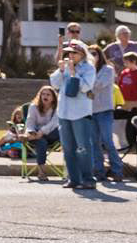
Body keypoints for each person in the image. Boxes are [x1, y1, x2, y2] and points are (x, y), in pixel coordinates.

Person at [51, 43, 97, 191]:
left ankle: (88, 179)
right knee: (68, 148)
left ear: (82, 54)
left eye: (74, 53)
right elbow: (54, 84)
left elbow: (85, 87)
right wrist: (61, 70)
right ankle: (73, 178)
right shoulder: (64, 66)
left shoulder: (89, 68)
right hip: (64, 112)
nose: (70, 56)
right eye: (69, 53)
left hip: (80, 113)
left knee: (83, 148)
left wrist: (73, 73)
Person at [89, 43, 123, 181]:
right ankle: (99, 172)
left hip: (105, 111)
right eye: (89, 54)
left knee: (107, 141)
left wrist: (86, 86)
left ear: (100, 55)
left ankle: (117, 171)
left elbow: (97, 85)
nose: (91, 56)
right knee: (94, 143)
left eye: (94, 53)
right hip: (90, 112)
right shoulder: (88, 70)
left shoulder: (108, 69)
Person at [17, 85, 60, 179]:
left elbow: (54, 123)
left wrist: (41, 132)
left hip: (52, 134)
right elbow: (30, 122)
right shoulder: (33, 107)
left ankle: (27, 138)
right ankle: (42, 173)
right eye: (43, 94)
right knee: (41, 141)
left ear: (53, 98)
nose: (45, 96)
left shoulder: (58, 107)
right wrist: (31, 131)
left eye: (48, 94)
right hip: (36, 135)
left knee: (58, 129)